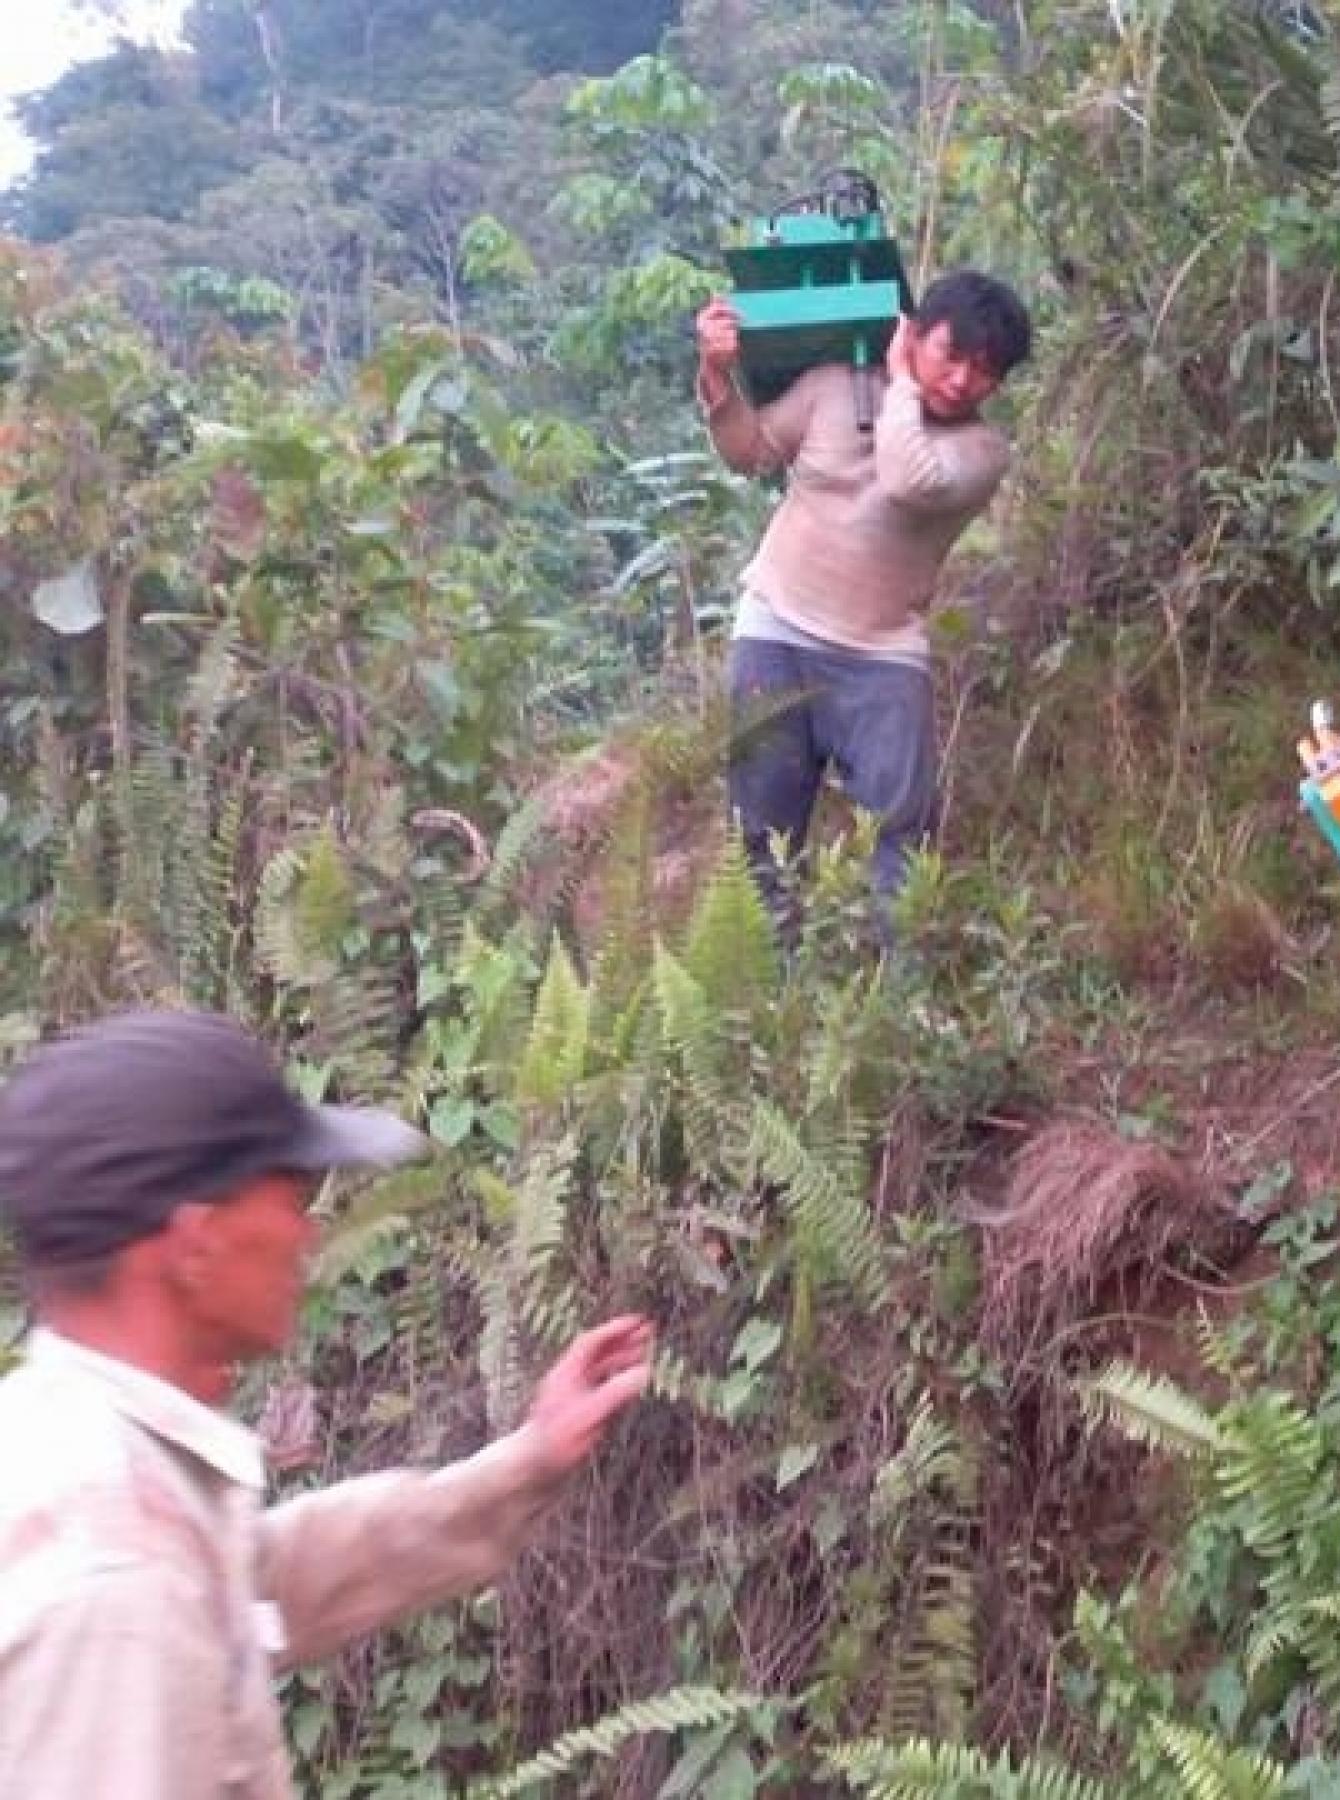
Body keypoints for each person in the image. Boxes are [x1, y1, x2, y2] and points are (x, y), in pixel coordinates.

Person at [0, 1009, 655, 1795]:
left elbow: (278, 1576)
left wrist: (530, 1459)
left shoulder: (75, 1450)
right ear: (197, 1243)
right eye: (293, 1195)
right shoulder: (117, 1586)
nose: (307, 1234)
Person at [693, 269, 1034, 927]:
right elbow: (751, 452)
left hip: (881, 652)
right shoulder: (831, 388)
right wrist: (715, 376)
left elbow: (907, 479)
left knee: (901, 835)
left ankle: (890, 1003)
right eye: (951, 355)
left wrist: (903, 378)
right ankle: (774, 1001)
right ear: (916, 333)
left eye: (985, 371)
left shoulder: (982, 450)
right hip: (775, 629)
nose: (963, 380)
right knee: (760, 835)